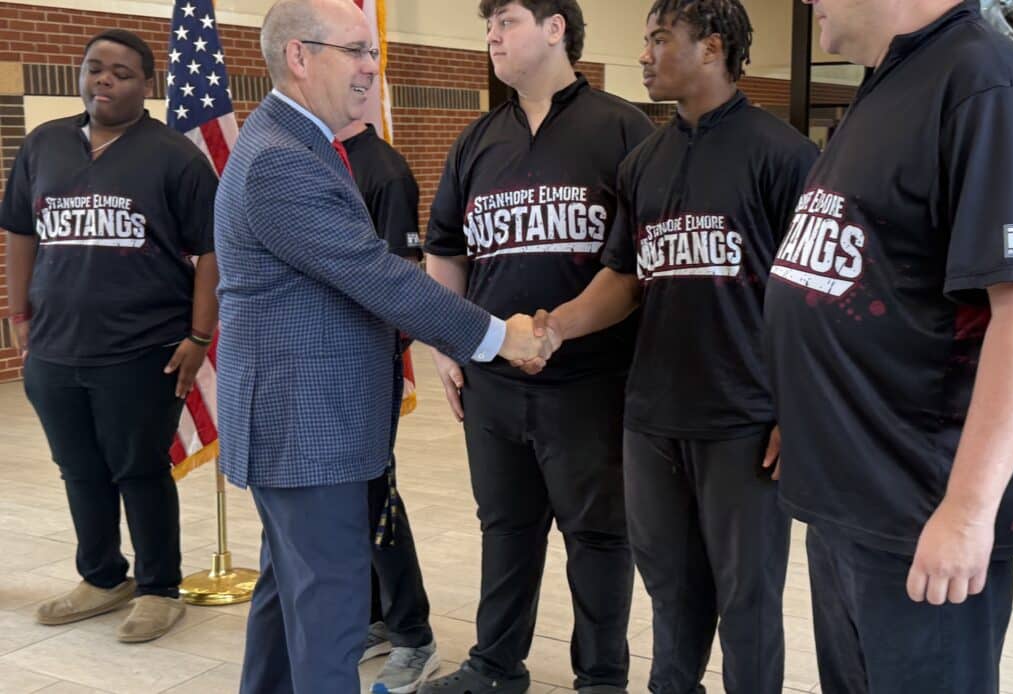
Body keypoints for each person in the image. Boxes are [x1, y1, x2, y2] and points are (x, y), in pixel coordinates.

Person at [212, 1, 551, 691]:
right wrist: (500, 336)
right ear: (300, 56)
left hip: (300, 426)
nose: (372, 67)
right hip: (307, 431)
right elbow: (376, 275)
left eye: (373, 51)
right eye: (356, 51)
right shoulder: (280, 160)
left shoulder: (296, 141)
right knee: (331, 618)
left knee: (288, 604)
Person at [764, 0, 1013, 691]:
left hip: (921, 507)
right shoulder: (889, 82)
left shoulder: (987, 82)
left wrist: (967, 512)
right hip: (847, 494)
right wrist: (808, 408)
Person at [524, 1, 816, 690]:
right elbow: (624, 278)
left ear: (711, 48)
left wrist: (800, 408)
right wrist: (556, 326)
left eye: (659, 40)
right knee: (670, 594)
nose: (644, 56)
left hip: (745, 421)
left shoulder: (785, 156)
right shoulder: (642, 162)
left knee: (747, 602)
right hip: (653, 418)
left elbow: (815, 299)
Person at [420, 1, 654, 692]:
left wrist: (559, 331)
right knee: (505, 527)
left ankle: (602, 677)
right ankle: (495, 667)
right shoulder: (476, 140)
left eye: (507, 20)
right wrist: (448, 347)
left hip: (592, 380)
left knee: (599, 535)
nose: (492, 35)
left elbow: (636, 266)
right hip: (494, 380)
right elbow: (445, 251)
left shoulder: (622, 128)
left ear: (556, 28)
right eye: (487, 25)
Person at [0, 28, 219, 643]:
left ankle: (158, 588)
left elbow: (211, 250)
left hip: (142, 347)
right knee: (78, 469)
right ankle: (101, 578)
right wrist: (19, 315)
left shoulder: (174, 156)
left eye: (121, 73)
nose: (104, 80)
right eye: (94, 67)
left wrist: (200, 335)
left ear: (146, 85)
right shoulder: (44, 144)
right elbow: (20, 230)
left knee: (139, 469)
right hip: (54, 345)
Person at [336, 118, 441, 693]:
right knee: (350, 500)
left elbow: (400, 281)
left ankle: (413, 635)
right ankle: (376, 614)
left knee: (377, 497)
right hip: (320, 366)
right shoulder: (314, 156)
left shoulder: (383, 170)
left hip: (365, 367)